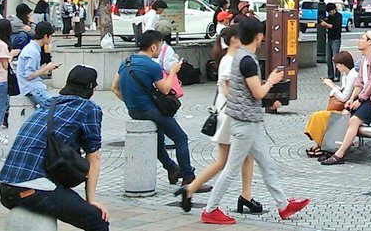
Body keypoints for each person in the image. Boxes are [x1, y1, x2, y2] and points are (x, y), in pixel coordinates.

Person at [200, 18, 310, 223]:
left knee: (267, 164)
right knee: (232, 167)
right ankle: (210, 210)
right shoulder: (247, 60)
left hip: (248, 121)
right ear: (258, 36)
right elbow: (258, 93)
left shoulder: (239, 56)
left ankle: (283, 205)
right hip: (245, 123)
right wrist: (271, 81)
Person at [0, 66, 108, 231]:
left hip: (6, 190)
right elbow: (94, 158)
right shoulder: (88, 108)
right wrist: (91, 201)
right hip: (34, 189)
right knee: (97, 220)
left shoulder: (49, 103)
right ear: (91, 88)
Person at [176, 26, 258, 214]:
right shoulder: (230, 61)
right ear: (235, 40)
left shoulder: (228, 59)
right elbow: (229, 90)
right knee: (226, 160)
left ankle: (245, 195)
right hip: (232, 114)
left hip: (230, 113)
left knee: (242, 156)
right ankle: (192, 189)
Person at [112, 30, 195, 187]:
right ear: (153, 47)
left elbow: (114, 88)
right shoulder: (152, 66)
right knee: (180, 138)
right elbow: (165, 90)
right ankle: (188, 178)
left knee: (159, 139)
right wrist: (173, 72)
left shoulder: (126, 62)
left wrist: (130, 102)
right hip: (151, 110)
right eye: (160, 46)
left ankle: (172, 168)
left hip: (134, 111)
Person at [320, 31, 371, 166]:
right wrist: (352, 98)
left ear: (370, 42)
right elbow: (359, 82)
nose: (359, 41)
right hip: (365, 97)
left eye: (362, 38)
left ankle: (339, 154)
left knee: (353, 120)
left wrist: (359, 100)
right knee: (344, 114)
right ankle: (331, 148)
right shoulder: (364, 59)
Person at [304, 51, 360, 158]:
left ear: (343, 65)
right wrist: (334, 86)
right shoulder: (347, 75)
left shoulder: (352, 76)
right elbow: (344, 92)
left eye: (337, 65)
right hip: (344, 107)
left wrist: (332, 86)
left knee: (319, 116)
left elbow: (344, 97)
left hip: (347, 109)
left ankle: (322, 145)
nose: (337, 67)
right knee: (319, 116)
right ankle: (320, 145)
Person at [18, 22, 58, 108]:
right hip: (33, 88)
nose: (51, 38)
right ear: (45, 36)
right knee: (54, 109)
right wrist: (46, 68)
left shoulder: (32, 48)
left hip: (34, 87)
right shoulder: (32, 51)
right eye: (51, 36)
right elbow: (29, 75)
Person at [320, 3, 343, 81]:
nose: (329, 13)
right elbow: (329, 26)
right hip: (329, 38)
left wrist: (326, 24)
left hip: (336, 39)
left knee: (336, 58)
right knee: (328, 58)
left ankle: (337, 75)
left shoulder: (339, 16)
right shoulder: (329, 17)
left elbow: (336, 26)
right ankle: (331, 75)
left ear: (334, 10)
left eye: (330, 11)